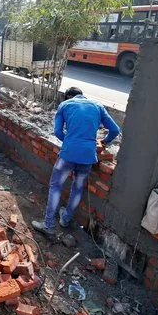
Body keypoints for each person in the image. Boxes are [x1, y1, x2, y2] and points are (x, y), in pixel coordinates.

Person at [32, 87, 121, 236]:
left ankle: (48, 225)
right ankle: (65, 219)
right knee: (77, 188)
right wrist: (104, 142)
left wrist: (69, 142)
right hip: (88, 157)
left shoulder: (65, 105)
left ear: (68, 96)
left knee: (55, 186)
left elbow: (58, 132)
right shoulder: (98, 106)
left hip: (68, 154)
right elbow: (115, 130)